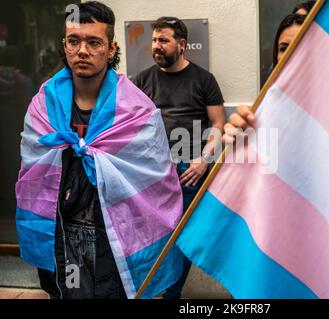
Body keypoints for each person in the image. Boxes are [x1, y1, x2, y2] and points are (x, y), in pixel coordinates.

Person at [16, 1, 183, 299]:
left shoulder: (136, 109)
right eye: (74, 41)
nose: (83, 51)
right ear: (64, 45)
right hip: (63, 236)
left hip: (115, 237)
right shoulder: (44, 104)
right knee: (68, 293)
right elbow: (32, 170)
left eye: (94, 42)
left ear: (110, 48)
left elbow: (157, 179)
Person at [133, 17, 226, 299]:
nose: (156, 46)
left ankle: (171, 293)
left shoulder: (204, 80)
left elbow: (219, 125)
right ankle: (152, 289)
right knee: (152, 237)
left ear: (182, 45)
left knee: (181, 239)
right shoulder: (143, 80)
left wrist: (204, 160)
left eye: (164, 40)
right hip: (154, 172)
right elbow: (133, 125)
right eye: (154, 40)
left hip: (189, 170)